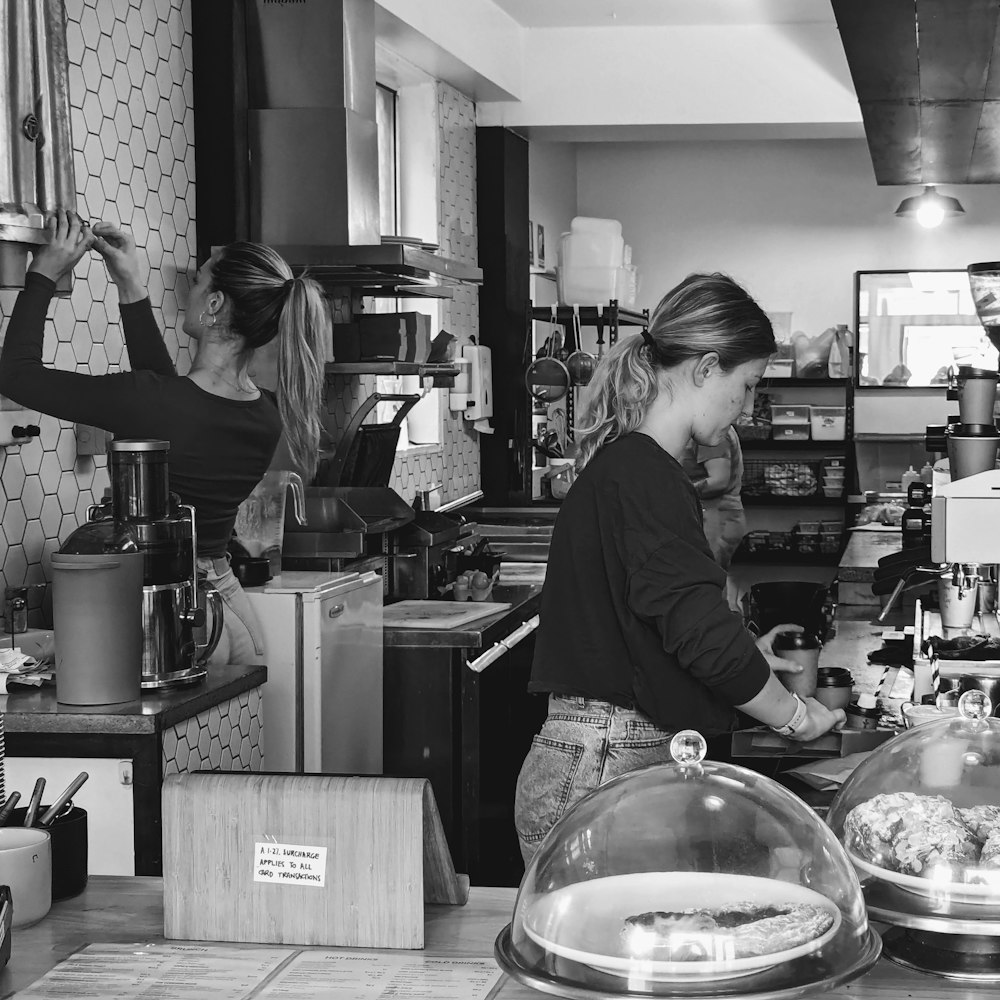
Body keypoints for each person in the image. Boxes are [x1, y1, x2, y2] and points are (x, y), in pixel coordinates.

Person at [514, 272, 846, 865]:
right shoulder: (646, 476)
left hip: (605, 757)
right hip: (606, 761)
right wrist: (797, 717)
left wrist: (747, 651)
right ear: (704, 367)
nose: (744, 410)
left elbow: (653, 618)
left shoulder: (637, 470)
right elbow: (696, 631)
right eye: (745, 387)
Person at [0, 209, 330, 666]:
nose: (189, 291)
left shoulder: (153, 402)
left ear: (214, 305)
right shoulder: (265, 412)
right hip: (229, 612)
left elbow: (15, 375)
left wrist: (43, 273)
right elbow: (167, 396)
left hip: (171, 620)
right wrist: (129, 283)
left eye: (199, 282)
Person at [683, 425, 747, 607]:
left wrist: (677, 490)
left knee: (708, 590)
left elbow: (718, 480)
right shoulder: (706, 427)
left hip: (717, 518)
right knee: (709, 588)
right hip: (714, 517)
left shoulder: (709, 430)